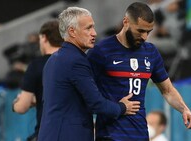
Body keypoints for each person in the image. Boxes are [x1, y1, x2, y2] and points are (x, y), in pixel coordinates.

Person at [87, 2, 191, 141]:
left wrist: (184, 109)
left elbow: (167, 90)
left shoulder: (150, 52)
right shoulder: (101, 51)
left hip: (140, 134)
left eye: (148, 32)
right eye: (140, 31)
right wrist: (115, 107)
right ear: (125, 22)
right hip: (110, 135)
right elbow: (86, 91)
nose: (144, 37)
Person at [38, 7, 140, 141]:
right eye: (88, 28)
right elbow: (96, 103)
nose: (94, 33)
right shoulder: (76, 61)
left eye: (93, 27)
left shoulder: (53, 59)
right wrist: (122, 107)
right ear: (72, 31)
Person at [12, 20, 64, 141]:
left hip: (48, 132)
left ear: (44, 38)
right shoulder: (75, 61)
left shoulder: (37, 65)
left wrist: (15, 104)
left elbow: (22, 107)